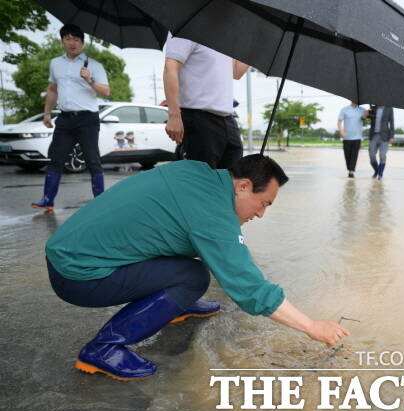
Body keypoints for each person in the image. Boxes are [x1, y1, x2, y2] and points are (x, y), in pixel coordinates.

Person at [45, 154, 350, 381]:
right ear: (243, 186)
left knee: (191, 268)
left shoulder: (196, 172)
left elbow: (188, 229)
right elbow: (249, 288)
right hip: (78, 276)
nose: (261, 214)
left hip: (68, 251)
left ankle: (172, 307)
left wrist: (231, 229)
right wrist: (311, 326)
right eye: (264, 203)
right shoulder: (213, 216)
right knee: (190, 278)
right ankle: (104, 348)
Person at [32, 24, 110, 212]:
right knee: (56, 159)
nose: (72, 43)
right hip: (65, 119)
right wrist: (47, 113)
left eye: (76, 39)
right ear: (63, 41)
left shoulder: (94, 65)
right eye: (68, 38)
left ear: (82, 43)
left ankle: (101, 201)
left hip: (88, 119)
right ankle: (47, 200)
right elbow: (52, 89)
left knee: (92, 160)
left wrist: (89, 80)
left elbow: (106, 92)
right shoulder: (55, 63)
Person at [163, 36, 249, 168]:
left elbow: (236, 72)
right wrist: (174, 115)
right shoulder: (188, 30)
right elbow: (170, 68)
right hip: (198, 117)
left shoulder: (226, 35)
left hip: (227, 118)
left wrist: (258, 43)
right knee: (202, 180)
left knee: (232, 179)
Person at [337, 102, 368, 178]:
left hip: (357, 137)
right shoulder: (344, 110)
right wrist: (341, 131)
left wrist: (367, 113)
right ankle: (349, 168)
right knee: (347, 155)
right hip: (346, 137)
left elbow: (364, 118)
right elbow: (339, 121)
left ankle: (351, 171)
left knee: (354, 155)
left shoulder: (362, 110)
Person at [368, 105, 395, 180]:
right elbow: (367, 117)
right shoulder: (373, 108)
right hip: (374, 135)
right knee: (372, 155)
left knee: (382, 155)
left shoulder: (389, 108)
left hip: (384, 136)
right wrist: (368, 113)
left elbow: (392, 122)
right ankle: (377, 171)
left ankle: (380, 174)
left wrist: (392, 136)